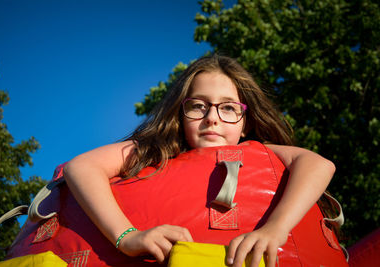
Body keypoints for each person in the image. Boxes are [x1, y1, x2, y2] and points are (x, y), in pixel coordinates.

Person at [63, 55, 336, 267]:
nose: (212, 117)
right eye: (198, 105)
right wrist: (127, 237)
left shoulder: (264, 152)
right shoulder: (154, 151)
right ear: (180, 115)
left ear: (245, 123)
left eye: (228, 107)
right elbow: (81, 166)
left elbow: (318, 164)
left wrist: (276, 228)